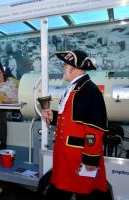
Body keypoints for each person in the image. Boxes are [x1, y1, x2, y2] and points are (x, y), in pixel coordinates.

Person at [41, 50, 109, 200]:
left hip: (78, 157)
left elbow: (94, 129)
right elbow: (70, 118)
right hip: (66, 155)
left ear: (74, 68)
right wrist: (53, 117)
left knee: (84, 193)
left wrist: (90, 159)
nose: (63, 68)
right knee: (62, 189)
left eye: (65, 65)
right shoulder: (75, 87)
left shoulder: (89, 90)